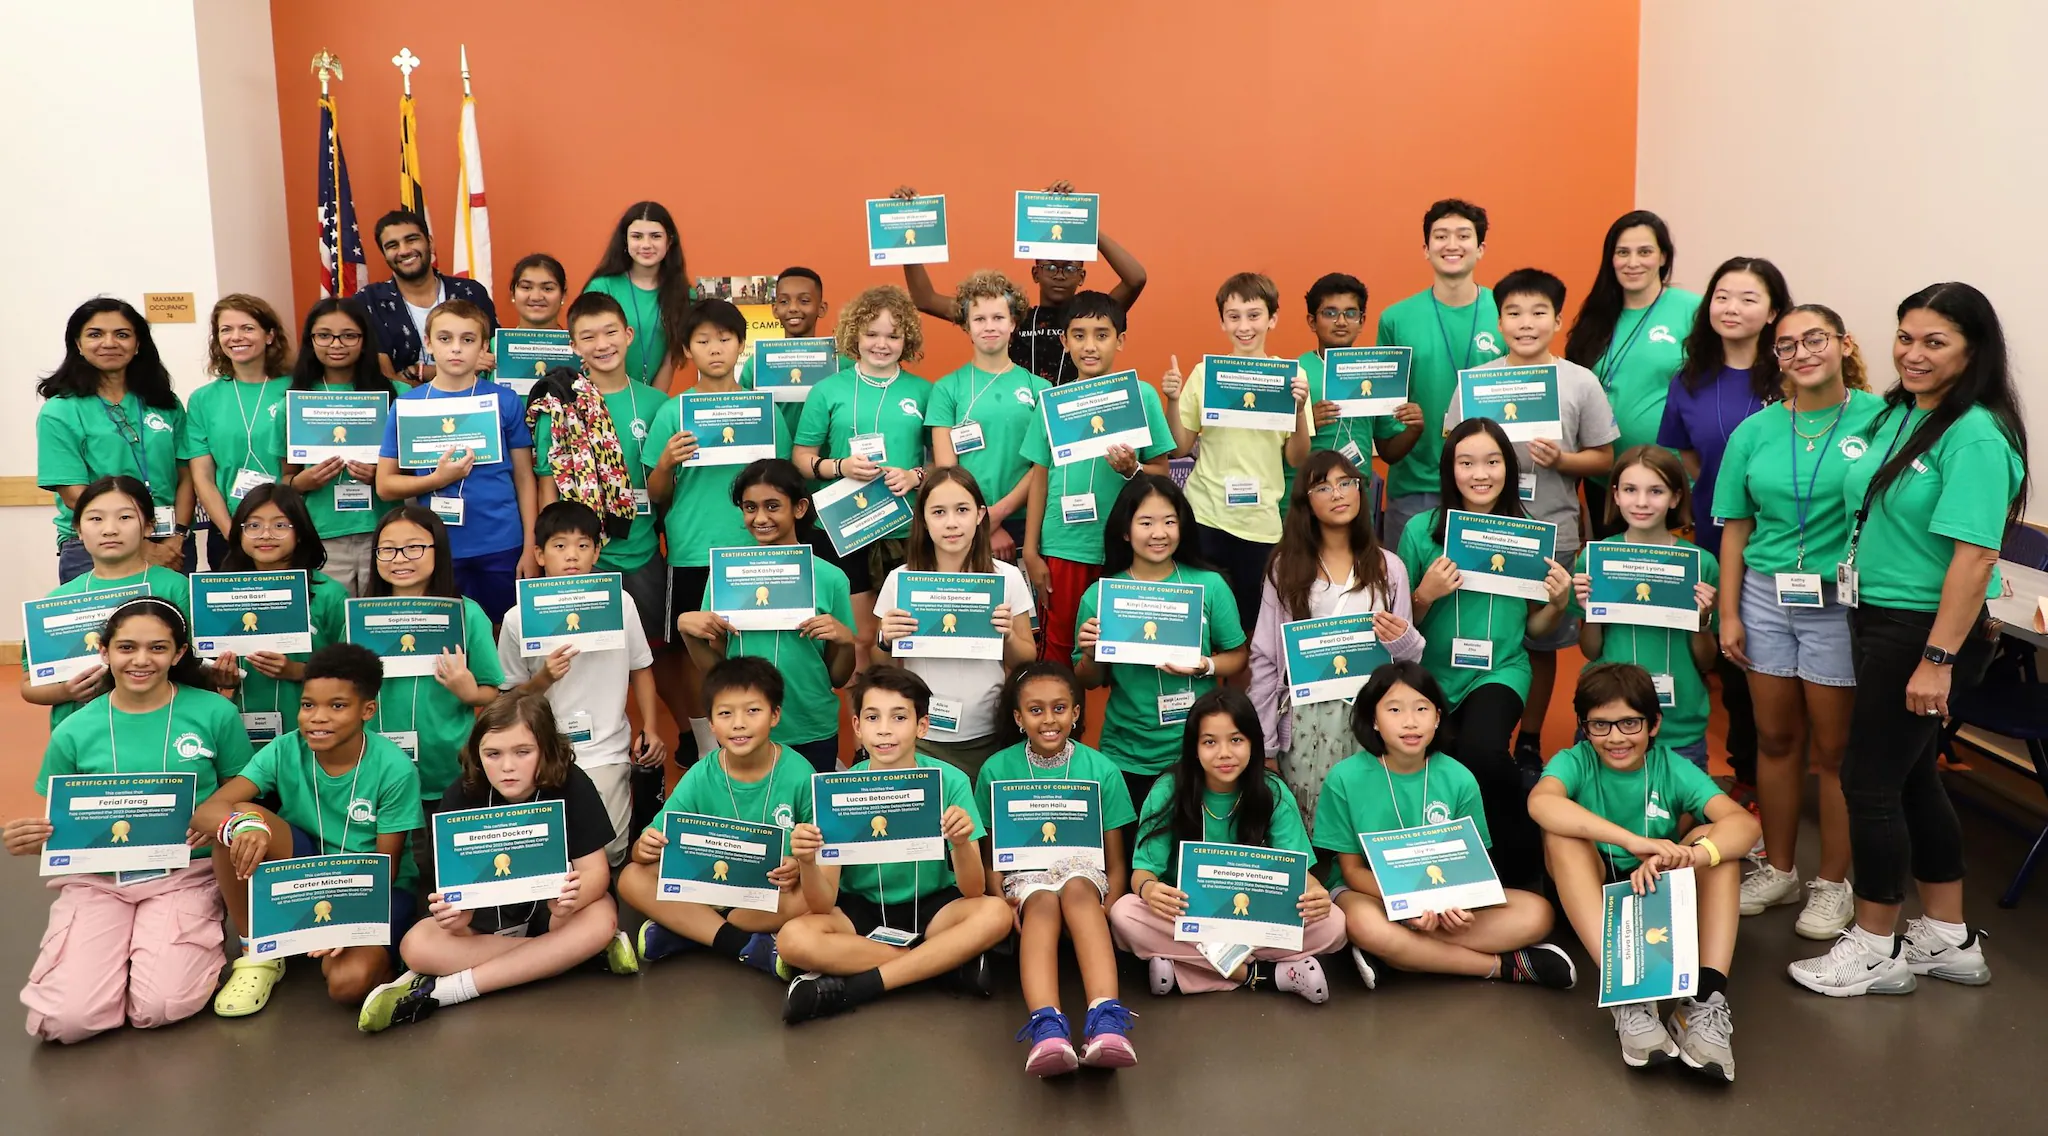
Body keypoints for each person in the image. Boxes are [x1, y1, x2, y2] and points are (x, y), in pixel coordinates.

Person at [1790, 283, 2029, 997]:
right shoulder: (1903, 411)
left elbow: (1976, 557)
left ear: (1973, 350)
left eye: (1935, 342)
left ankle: (1874, 945)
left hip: (1922, 631)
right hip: (1879, 616)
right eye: (1905, 336)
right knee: (1913, 776)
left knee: (1868, 781)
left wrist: (1937, 659)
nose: (1913, 353)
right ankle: (1948, 936)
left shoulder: (1977, 433)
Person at [6, 598, 249, 1043]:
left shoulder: (216, 713)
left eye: (158, 648)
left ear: (178, 654)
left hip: (185, 872)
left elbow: (242, 793)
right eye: (126, 647)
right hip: (98, 878)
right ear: (104, 651)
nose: (141, 660)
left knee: (161, 1006)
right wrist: (34, 838)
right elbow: (60, 817)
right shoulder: (74, 730)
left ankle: (159, 954)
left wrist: (216, 819)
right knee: (67, 1020)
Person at [1713, 304, 1881, 936]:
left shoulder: (1882, 418)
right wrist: (1729, 611)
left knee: (1835, 752)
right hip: (1764, 596)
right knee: (1775, 741)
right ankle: (1779, 869)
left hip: (1840, 601)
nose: (1801, 352)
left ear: (1842, 343)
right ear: (1774, 359)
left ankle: (1833, 883)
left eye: (1814, 339)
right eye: (1786, 346)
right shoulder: (1754, 432)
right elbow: (1735, 526)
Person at [1530, 663, 1757, 1080]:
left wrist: (1692, 856)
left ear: (1654, 724)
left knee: (1715, 841)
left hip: (1658, 901)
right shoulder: (1575, 761)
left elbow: (1745, 825)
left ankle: (1703, 1002)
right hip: (1595, 899)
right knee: (1561, 835)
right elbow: (1541, 803)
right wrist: (1630, 841)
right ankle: (1629, 995)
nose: (1615, 737)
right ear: (1585, 728)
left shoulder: (1671, 767)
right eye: (1600, 725)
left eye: (1629, 723)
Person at [357, 694, 636, 1032]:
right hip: (486, 925)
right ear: (477, 754)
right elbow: (451, 897)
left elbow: (595, 873)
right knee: (416, 946)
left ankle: (444, 992)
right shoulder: (460, 794)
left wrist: (571, 900)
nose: (507, 767)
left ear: (546, 749)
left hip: (555, 915)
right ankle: (574, 956)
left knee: (599, 918)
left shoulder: (572, 784)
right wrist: (456, 919)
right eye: (493, 754)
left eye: (523, 752)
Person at [1442, 268, 1619, 777]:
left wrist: (1563, 461)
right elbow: (1452, 444)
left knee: (1539, 644)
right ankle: (1471, 725)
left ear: (1558, 320)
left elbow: (1605, 458)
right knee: (1485, 629)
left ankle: (1531, 740)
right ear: (1498, 322)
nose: (1526, 323)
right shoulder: (1478, 383)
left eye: (1539, 313)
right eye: (1514, 313)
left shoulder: (1578, 381)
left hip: (1550, 534)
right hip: (1483, 534)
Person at [193, 643, 422, 1018]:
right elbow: (207, 811)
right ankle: (259, 951)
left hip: (369, 888)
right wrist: (244, 824)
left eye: (337, 706)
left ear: (368, 710)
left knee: (347, 984)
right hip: (303, 870)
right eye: (308, 705)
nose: (317, 717)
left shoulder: (394, 768)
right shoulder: (285, 748)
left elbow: (388, 868)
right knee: (239, 823)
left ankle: (399, 970)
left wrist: (343, 924)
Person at [777, 666, 1012, 1024]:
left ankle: (856, 987)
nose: (884, 728)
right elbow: (823, 903)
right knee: (792, 939)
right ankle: (941, 964)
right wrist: (807, 861)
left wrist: (962, 843)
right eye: (872, 717)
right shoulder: (837, 790)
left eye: (899, 717)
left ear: (922, 726)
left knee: (995, 913)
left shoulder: (951, 781)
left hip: (935, 908)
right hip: (863, 910)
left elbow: (974, 889)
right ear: (856, 727)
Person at [1320, 662, 1574, 990]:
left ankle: (1397, 956)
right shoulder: (1345, 778)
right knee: (1361, 923)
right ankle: (1502, 966)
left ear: (1438, 717)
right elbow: (1352, 871)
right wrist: (1408, 904)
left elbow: (1471, 867)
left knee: (1537, 913)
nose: (1410, 722)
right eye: (1394, 709)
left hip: (1444, 899)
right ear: (1373, 720)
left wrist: (1457, 906)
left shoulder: (1459, 778)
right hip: (1371, 896)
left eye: (1422, 709)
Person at [1397, 418, 1571, 889]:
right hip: (1430, 675)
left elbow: (1533, 628)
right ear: (1449, 470)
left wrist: (1556, 605)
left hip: (1500, 671)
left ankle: (1522, 869)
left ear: (1508, 469)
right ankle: (1445, 870)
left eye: (1493, 462)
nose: (1481, 473)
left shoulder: (1528, 533)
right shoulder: (1421, 531)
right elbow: (1399, 626)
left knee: (1482, 751)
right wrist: (1425, 594)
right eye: (1467, 462)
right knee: (1441, 754)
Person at [1110, 688, 1344, 1000]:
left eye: (1236, 740)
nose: (1224, 753)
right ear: (1194, 747)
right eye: (1210, 742)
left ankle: (1190, 971)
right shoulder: (1169, 789)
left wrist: (1314, 892)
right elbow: (1142, 873)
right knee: (1124, 914)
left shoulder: (1271, 791)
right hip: (1187, 916)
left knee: (1334, 923)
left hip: (1256, 916)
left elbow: (1299, 870)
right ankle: (1262, 975)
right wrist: (1149, 891)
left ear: (1252, 743)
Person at [1658, 255, 1790, 791]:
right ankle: (1750, 783)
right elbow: (1689, 460)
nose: (1731, 308)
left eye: (1748, 298)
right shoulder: (1689, 381)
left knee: (1783, 682)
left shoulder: (1791, 376)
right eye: (1722, 296)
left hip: (1791, 549)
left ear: (1774, 311)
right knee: (1734, 673)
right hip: (1720, 545)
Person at [645, 296, 796, 763]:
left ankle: (777, 743)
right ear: (687, 350)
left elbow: (785, 480)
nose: (715, 349)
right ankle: (711, 743)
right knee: (697, 650)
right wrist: (667, 461)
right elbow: (654, 494)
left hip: (758, 551)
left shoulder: (762, 409)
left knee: (766, 643)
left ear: (741, 345)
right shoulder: (673, 412)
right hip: (693, 552)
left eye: (725, 340)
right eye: (703, 341)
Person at [975, 662, 1140, 1075]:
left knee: (1080, 891)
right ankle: (1046, 1026)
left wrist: (1113, 901)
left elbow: (1115, 858)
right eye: (1035, 710)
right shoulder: (996, 769)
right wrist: (999, 899)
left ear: (1076, 713)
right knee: (1044, 903)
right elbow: (991, 853)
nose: (1049, 720)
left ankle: (1106, 1020)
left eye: (1060, 708)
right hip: (1026, 877)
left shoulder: (1102, 770)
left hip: (1084, 871)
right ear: (1018, 717)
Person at [1249, 449, 1424, 830]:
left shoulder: (1389, 567)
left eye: (1347, 483)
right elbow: (1265, 658)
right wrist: (1265, 744)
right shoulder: (1285, 567)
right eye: (1323, 486)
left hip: (1370, 716)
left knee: (1362, 826)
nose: (1338, 493)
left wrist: (1403, 640)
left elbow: (1410, 663)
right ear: (1306, 502)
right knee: (1305, 828)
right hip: (1303, 722)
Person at [618, 656, 813, 973]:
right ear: (710, 723)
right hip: (709, 887)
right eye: (725, 713)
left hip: (769, 891)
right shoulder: (700, 775)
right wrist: (644, 847)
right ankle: (741, 944)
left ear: (775, 715)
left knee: (812, 897)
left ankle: (688, 931)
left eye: (753, 711)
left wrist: (800, 865)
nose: (739, 723)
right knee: (631, 879)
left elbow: (819, 851)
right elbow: (647, 847)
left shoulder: (799, 772)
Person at [496, 501, 663, 863]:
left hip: (605, 749)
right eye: (559, 546)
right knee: (543, 852)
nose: (572, 556)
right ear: (539, 554)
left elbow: (641, 667)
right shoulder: (516, 618)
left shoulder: (621, 603)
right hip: (540, 751)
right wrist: (543, 678)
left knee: (609, 851)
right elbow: (508, 698)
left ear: (597, 551)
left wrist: (651, 726)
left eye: (583, 545)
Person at [1074, 473, 1250, 809]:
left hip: (1200, 749)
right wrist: (1091, 653)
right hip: (1127, 754)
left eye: (1170, 521)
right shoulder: (1101, 596)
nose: (1159, 533)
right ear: (1125, 531)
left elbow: (1238, 656)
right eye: (1146, 522)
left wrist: (1205, 665)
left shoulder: (1209, 586)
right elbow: (1089, 680)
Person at [1019, 290, 1174, 665]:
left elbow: (1162, 473)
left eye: (1102, 335)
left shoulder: (1141, 396)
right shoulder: (1052, 402)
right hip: (1064, 546)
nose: (1090, 346)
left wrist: (1132, 470)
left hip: (1125, 547)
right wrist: (1030, 549)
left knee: (1120, 648)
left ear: (1120, 340)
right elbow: (1040, 475)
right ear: (1064, 341)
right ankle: (1066, 724)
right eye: (1079, 334)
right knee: (1059, 648)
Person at [675, 459, 855, 773]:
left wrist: (845, 641)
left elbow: (838, 677)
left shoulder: (831, 578)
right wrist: (687, 631)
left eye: (772, 506)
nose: (760, 518)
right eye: (749, 507)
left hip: (810, 725)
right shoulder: (724, 577)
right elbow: (717, 669)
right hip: (741, 726)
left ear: (799, 508)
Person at [1161, 273, 1314, 629]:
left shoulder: (1290, 378)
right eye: (1234, 316)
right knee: (1202, 625)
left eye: (1254, 314)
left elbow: (1296, 458)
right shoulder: (1204, 374)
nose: (1244, 326)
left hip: (1260, 524)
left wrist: (1298, 409)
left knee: (1253, 628)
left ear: (1272, 319)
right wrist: (1171, 399)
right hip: (1205, 516)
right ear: (1222, 322)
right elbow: (1181, 446)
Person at [791, 285, 932, 671]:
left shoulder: (924, 391)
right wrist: (840, 467)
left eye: (893, 335)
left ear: (908, 339)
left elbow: (942, 463)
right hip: (840, 529)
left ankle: (897, 722)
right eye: (872, 334)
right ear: (855, 334)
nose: (881, 344)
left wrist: (915, 475)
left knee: (900, 636)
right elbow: (801, 458)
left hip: (902, 531)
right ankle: (864, 726)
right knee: (859, 638)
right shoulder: (827, 390)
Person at [374, 299, 538, 622]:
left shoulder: (503, 401)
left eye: (468, 339)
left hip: (503, 544)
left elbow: (524, 477)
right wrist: (437, 480)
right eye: (445, 338)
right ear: (428, 343)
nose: (456, 349)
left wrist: (530, 546)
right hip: (438, 547)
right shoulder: (408, 406)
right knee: (453, 639)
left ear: (483, 345)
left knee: (506, 636)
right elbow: (385, 485)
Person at [895, 179, 1148, 384]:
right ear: (1035, 273)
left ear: (1082, 277)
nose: (1059, 274)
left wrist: (1084, 224)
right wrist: (910, 223)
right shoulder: (1010, 316)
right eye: (1049, 267)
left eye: (1069, 268)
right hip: (1022, 422)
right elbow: (925, 299)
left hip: (1074, 419)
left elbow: (1136, 278)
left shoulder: (1092, 317)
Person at [876, 468, 1038, 778]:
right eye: (938, 512)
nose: (951, 522)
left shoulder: (1007, 577)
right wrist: (885, 639)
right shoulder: (900, 580)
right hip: (920, 734)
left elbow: (1026, 660)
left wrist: (1009, 637)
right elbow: (881, 666)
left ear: (980, 515)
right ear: (923, 519)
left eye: (962, 510)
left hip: (989, 732)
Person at [365, 507, 504, 866]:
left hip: (445, 768)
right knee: (388, 869)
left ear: (438, 551)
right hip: (376, 766)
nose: (399, 559)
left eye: (413, 547)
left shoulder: (466, 613)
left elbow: (493, 691)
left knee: (438, 868)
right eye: (387, 549)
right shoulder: (360, 615)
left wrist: (469, 692)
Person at [536, 293, 666, 661]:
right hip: (579, 556)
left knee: (655, 657)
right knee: (580, 657)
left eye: (610, 332)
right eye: (588, 336)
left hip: (641, 550)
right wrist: (551, 549)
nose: (602, 344)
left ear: (627, 334)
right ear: (574, 345)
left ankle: (678, 723)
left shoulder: (657, 403)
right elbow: (548, 479)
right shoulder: (560, 403)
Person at [1571, 448, 1720, 767]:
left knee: (1682, 815)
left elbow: (1706, 661)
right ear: (1616, 495)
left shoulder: (1701, 564)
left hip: (1678, 722)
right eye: (1630, 490)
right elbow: (1590, 650)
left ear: (1676, 497)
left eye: (1655, 491)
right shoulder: (1594, 559)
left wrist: (1703, 620)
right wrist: (1590, 611)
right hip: (1609, 717)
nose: (1641, 502)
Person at [1371, 199, 1507, 547]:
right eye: (1441, 236)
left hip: (1490, 483)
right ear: (1426, 249)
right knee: (1407, 594)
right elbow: (1387, 412)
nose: (1451, 244)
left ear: (1480, 248)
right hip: (1417, 487)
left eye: (1463, 235)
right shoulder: (1396, 319)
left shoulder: (1507, 312)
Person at [1564, 211, 1702, 540]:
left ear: (1663, 257)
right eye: (1622, 252)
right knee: (1613, 582)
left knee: (1670, 581)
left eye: (1644, 252)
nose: (1632, 262)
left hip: (1670, 482)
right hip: (1608, 483)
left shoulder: (1692, 309)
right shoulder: (1596, 315)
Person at [36, 298, 192, 582]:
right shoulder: (60, 411)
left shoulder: (164, 403)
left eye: (122, 334)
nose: (109, 343)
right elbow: (74, 494)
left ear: (138, 345)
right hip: (95, 546)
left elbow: (186, 475)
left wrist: (178, 535)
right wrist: (141, 545)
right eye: (95, 334)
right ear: (78, 345)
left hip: (169, 543)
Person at [19, 477, 193, 731]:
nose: (109, 529)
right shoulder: (56, 601)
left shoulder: (176, 588)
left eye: (125, 517)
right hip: (84, 730)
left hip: (166, 725)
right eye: (95, 519)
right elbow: (29, 685)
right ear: (78, 529)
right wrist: (65, 691)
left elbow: (200, 665)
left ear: (148, 527)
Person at [277, 297, 405, 595]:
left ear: (364, 339)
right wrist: (303, 481)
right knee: (334, 624)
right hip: (323, 535)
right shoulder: (293, 403)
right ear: (310, 340)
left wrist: (382, 477)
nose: (336, 344)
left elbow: (415, 473)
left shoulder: (398, 395)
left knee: (380, 623)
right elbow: (285, 479)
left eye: (348, 335)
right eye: (324, 335)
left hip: (385, 531)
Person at [208, 485, 351, 749]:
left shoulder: (329, 595)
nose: (266, 535)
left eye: (280, 525)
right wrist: (219, 681)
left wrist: (298, 671)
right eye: (253, 526)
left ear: (300, 533)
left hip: (311, 737)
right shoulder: (216, 593)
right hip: (237, 734)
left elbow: (351, 673)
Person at [926, 270, 1050, 558]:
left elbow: (1042, 465)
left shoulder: (1039, 388)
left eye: (998, 318)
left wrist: (1000, 514)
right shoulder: (947, 388)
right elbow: (948, 470)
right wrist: (985, 522)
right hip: (965, 521)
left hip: (1027, 521)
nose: (989, 326)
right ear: (966, 326)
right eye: (979, 319)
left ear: (1013, 323)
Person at [183, 294, 293, 569]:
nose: (236, 337)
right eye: (226, 330)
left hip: (290, 529)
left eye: (247, 328)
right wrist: (234, 532)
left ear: (269, 336)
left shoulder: (298, 389)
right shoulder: (202, 399)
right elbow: (203, 477)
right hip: (229, 531)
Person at [358, 209, 498, 383]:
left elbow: (490, 360)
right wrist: (460, 367)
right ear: (384, 254)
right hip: (404, 407)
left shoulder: (471, 293)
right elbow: (385, 378)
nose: (404, 251)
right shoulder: (369, 301)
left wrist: (418, 371)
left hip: (473, 401)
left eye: (411, 240)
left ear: (430, 243)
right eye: (392, 245)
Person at [1290, 272, 1377, 502]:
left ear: (1362, 321)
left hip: (1356, 500)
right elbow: (1273, 448)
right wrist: (1306, 423)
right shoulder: (1295, 374)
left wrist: (1414, 428)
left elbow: (1389, 447)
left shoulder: (1376, 372)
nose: (1341, 321)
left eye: (1350, 313)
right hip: (1302, 499)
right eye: (1330, 313)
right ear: (1312, 321)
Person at [581, 201, 688, 389]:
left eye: (655, 236)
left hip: (652, 397)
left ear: (669, 241)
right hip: (601, 396)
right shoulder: (601, 287)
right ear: (625, 241)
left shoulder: (684, 294)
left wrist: (652, 403)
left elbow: (669, 361)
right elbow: (589, 351)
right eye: (637, 236)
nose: (646, 245)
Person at [738, 266, 843, 437]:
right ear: (775, 310)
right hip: (775, 460)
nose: (793, 308)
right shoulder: (756, 364)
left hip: (827, 460)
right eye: (784, 301)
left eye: (804, 301)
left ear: (821, 308)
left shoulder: (841, 362)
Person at [506, 253, 568, 329]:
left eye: (547, 288)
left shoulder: (575, 341)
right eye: (526, 287)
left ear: (563, 295)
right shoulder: (495, 341)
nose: (536, 297)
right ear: (513, 293)